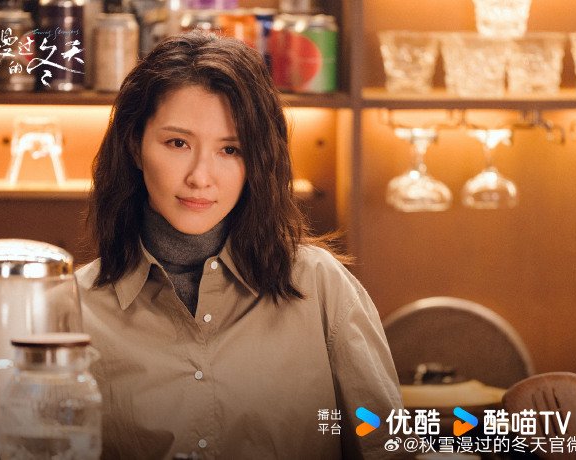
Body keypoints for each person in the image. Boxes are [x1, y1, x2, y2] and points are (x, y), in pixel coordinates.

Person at [76, 30, 404, 459]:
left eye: (230, 150)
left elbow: (390, 449)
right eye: (178, 143)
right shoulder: (73, 310)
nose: (200, 177)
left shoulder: (320, 286)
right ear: (135, 146)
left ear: (258, 159)